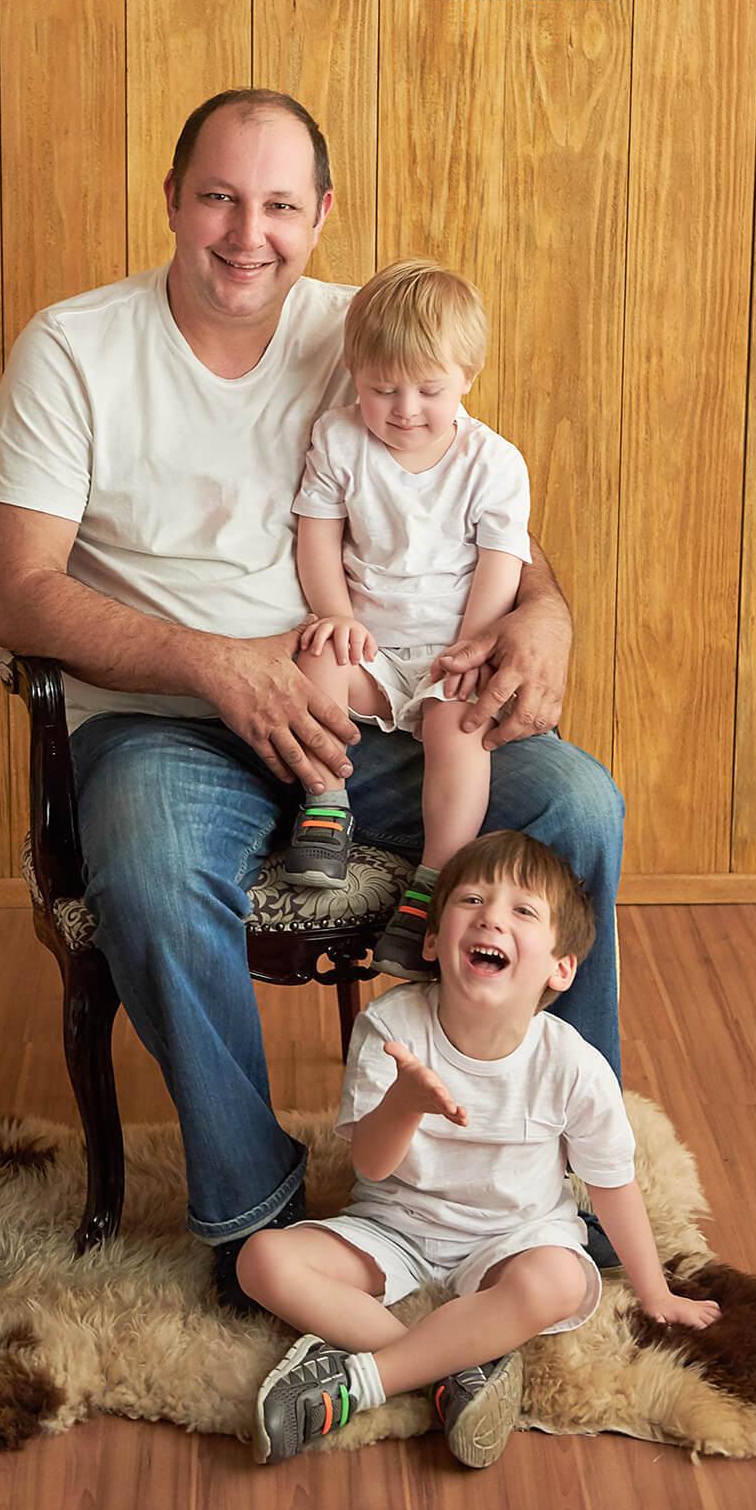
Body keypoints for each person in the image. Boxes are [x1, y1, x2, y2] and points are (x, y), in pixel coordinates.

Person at [0, 87, 624, 1311]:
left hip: (372, 712)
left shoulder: (365, 330)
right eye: (219, 198)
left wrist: (547, 614)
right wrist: (220, 665)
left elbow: (480, 513)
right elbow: (14, 592)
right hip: (167, 726)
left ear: (321, 216)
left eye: (278, 205)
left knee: (576, 805)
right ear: (174, 199)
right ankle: (253, 1213)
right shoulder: (73, 349)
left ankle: (550, 1175)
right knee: (151, 862)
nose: (246, 234)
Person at [240, 830, 720, 1469]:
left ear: (561, 967)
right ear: (433, 941)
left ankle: (367, 1381)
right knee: (262, 1260)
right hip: (395, 1228)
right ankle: (449, 1368)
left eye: (523, 910)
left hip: (514, 1235)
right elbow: (371, 1165)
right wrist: (405, 1103)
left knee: (557, 1280)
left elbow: (612, 1184)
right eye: (471, 900)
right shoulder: (391, 1028)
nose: (491, 916)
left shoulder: (573, 1065)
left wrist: (655, 1293)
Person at [281, 259, 532, 982]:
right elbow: (317, 537)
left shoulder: (492, 463)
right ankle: (326, 803)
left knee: (462, 725)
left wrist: (473, 648)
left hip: (450, 650)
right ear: (354, 374)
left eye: (429, 390)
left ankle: (435, 878)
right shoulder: (339, 439)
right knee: (316, 657)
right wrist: (335, 615)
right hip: (372, 650)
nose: (404, 409)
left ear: (468, 378)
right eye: (382, 389)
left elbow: (500, 565)